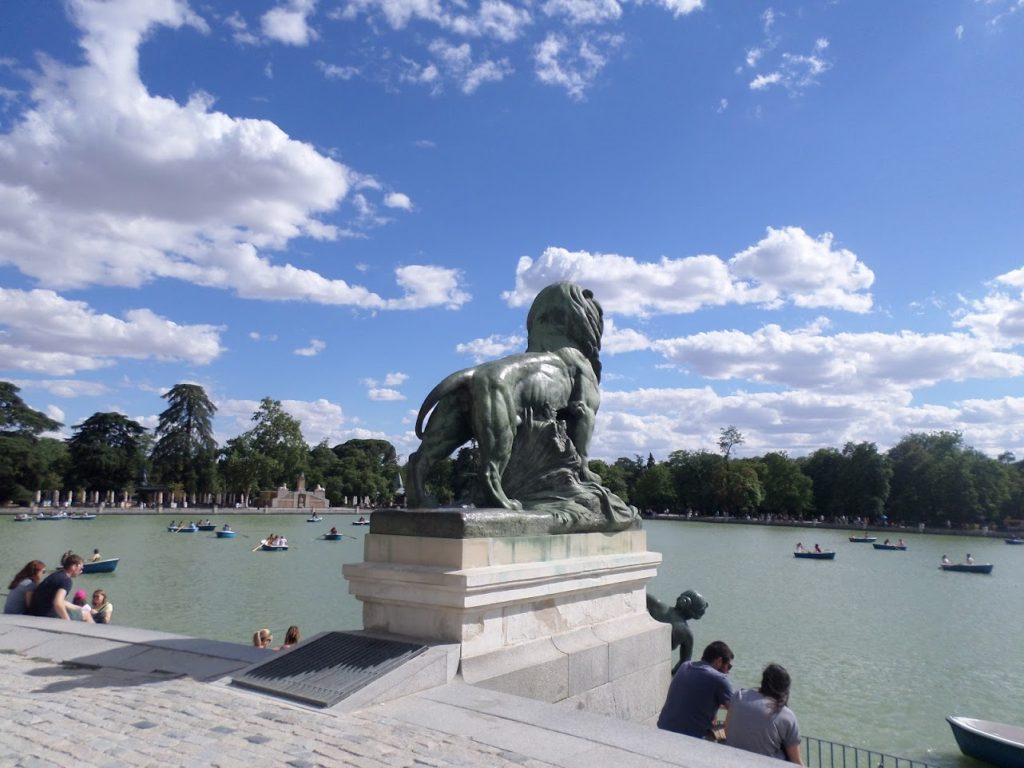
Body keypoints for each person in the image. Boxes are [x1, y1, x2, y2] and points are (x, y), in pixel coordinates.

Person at [725, 663, 803, 764]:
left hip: (732, 761)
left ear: (763, 681)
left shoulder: (739, 696)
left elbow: (727, 732)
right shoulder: (786, 715)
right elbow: (796, 761)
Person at [657, 640, 734, 739]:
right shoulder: (720, 679)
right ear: (719, 661)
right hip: (692, 738)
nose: (728, 672)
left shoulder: (685, 666)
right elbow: (736, 711)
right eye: (729, 666)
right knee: (731, 732)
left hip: (663, 728)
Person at [26, 552, 84, 620]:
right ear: (74, 567)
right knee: (86, 614)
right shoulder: (66, 580)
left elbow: (59, 600)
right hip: (46, 616)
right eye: (80, 568)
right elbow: (58, 603)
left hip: (34, 613)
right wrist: (68, 621)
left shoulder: (56, 575)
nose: (81, 571)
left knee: (82, 611)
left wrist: (79, 608)